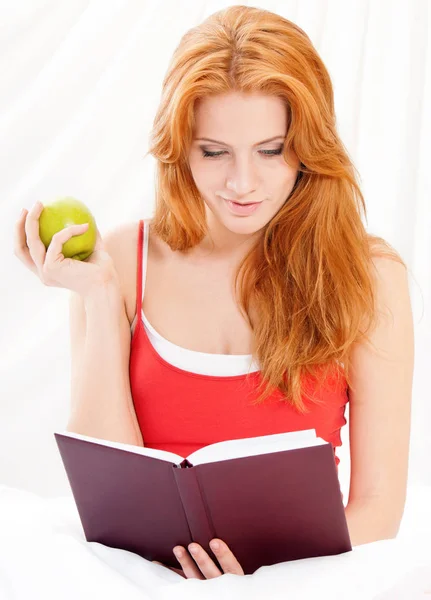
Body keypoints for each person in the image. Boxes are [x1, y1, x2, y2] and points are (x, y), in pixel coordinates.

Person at [13, 5, 414, 581]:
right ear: (181, 147)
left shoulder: (369, 275)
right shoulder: (122, 261)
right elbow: (111, 503)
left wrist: (258, 575)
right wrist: (99, 299)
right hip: (140, 578)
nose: (243, 183)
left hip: (299, 581)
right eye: (214, 151)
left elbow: (379, 509)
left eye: (271, 150)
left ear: (308, 143)